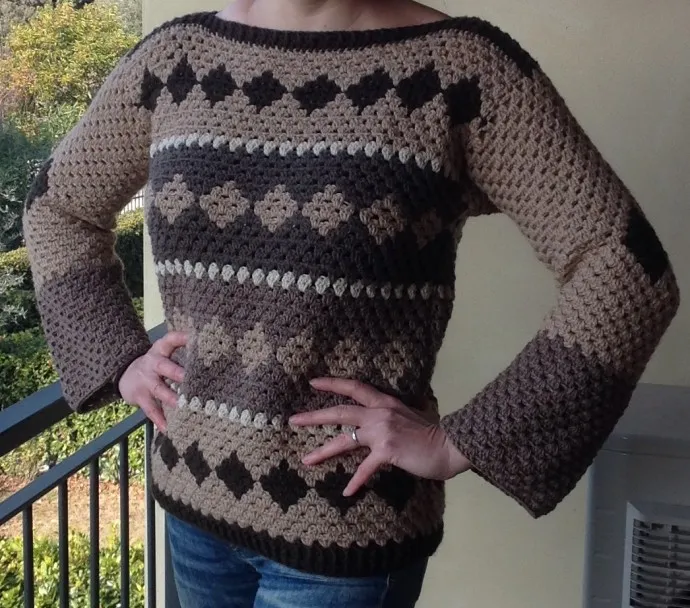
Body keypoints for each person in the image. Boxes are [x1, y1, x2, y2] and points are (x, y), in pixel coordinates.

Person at [23, 0, 679, 606]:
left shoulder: (459, 70)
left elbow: (628, 267)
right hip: (193, 510)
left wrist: (464, 441)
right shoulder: (174, 62)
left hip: (344, 538)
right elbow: (58, 207)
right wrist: (118, 357)